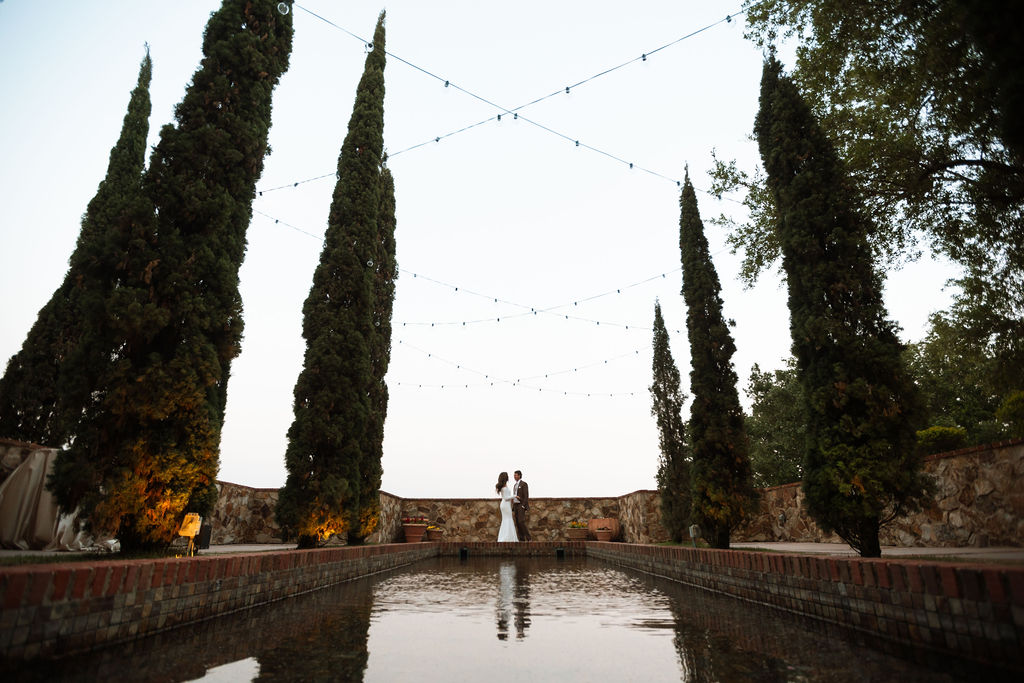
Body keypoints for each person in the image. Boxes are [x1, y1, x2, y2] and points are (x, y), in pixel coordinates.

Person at [496, 472, 518, 542]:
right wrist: (515, 496)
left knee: (507, 519)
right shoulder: (503, 487)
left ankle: (509, 537)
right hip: (505, 504)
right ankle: (507, 537)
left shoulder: (504, 486)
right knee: (507, 519)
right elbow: (506, 498)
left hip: (506, 505)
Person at [512, 470, 531, 541]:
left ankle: (529, 538)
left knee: (521, 521)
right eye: (514, 475)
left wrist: (523, 505)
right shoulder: (514, 485)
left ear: (519, 475)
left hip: (521, 505)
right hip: (515, 505)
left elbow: (526, 496)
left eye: (516, 475)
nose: (514, 476)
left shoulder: (524, 484)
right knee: (517, 522)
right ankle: (522, 539)